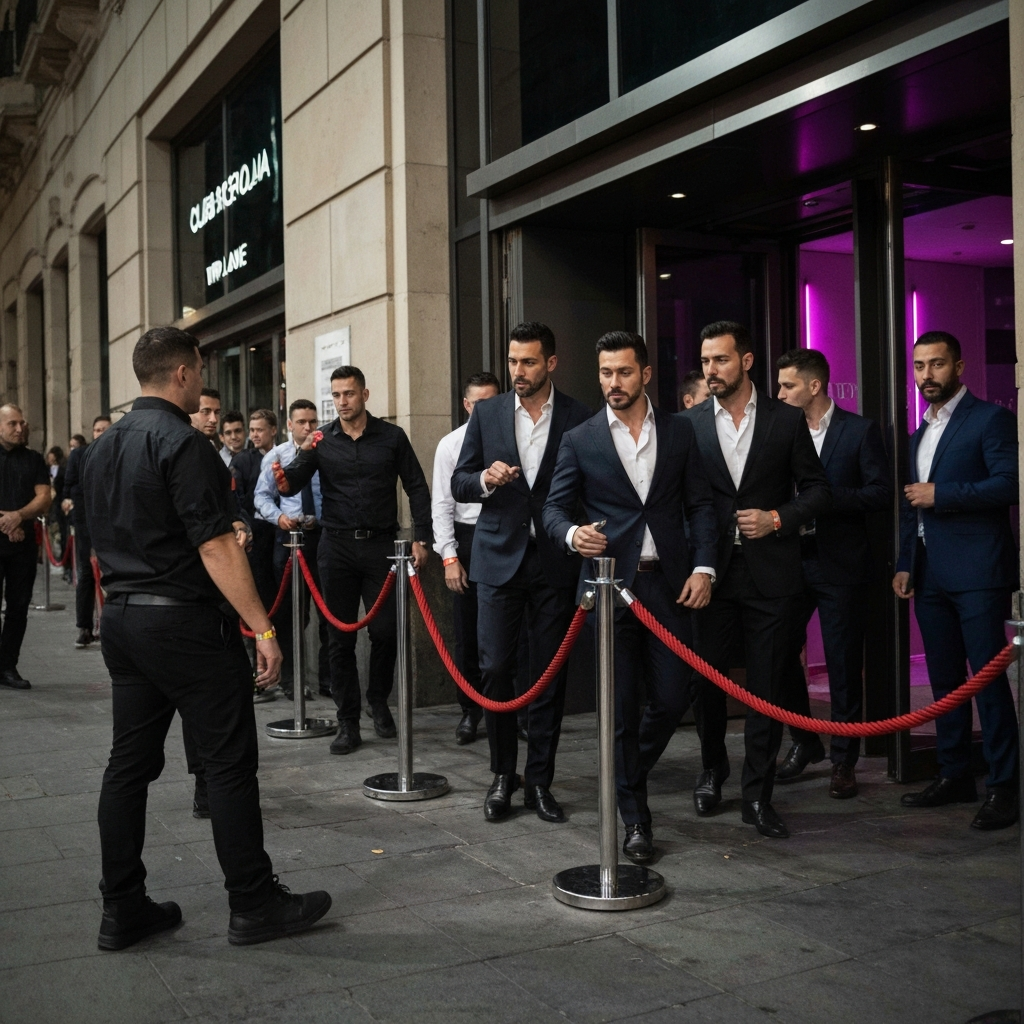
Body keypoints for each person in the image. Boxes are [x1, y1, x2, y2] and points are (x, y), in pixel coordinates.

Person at [82, 325, 330, 950]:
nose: (201, 378)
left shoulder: (102, 448)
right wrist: (263, 627)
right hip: (184, 624)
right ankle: (252, 903)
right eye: (199, 366)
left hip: (124, 619)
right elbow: (216, 545)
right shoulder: (183, 443)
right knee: (226, 763)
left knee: (128, 766)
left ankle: (122, 907)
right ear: (183, 374)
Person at [544, 332, 717, 861]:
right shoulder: (581, 437)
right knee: (617, 709)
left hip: (668, 584)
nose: (612, 383)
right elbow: (553, 511)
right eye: (604, 373)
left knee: (671, 698)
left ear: (644, 373)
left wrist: (705, 566)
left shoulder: (681, 431)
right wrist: (574, 536)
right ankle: (635, 819)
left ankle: (624, 772)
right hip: (608, 588)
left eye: (622, 372)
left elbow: (701, 505)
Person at [681, 321, 831, 839]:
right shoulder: (690, 424)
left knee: (765, 690)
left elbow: (816, 491)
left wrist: (778, 519)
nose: (711, 370)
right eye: (705, 361)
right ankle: (712, 771)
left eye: (720, 360)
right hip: (711, 575)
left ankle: (757, 795)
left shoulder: (786, 421)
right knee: (707, 685)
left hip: (773, 574)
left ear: (746, 361)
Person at [451, 322, 592, 823]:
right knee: (494, 669)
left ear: (550, 363)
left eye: (528, 362)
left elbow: (589, 486)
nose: (518, 372)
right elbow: (459, 481)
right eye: (513, 361)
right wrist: (485, 479)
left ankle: (539, 783)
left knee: (548, 677)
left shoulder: (578, 415)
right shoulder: (487, 413)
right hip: (497, 558)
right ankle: (500, 776)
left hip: (555, 560)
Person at [894, 331, 1020, 831]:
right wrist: (905, 563)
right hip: (929, 577)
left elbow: (1009, 484)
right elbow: (910, 505)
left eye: (937, 365)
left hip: (979, 576)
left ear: (959, 367)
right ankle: (954, 775)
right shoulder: (916, 434)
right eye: (920, 366)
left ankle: (1006, 787)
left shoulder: (990, 418)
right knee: (944, 683)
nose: (927, 375)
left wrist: (941, 494)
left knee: (988, 685)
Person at [277, 366, 433, 755]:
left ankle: (377, 700)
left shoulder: (392, 437)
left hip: (382, 545)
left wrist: (422, 538)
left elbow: (416, 486)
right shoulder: (321, 441)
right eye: (336, 395)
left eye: (348, 394)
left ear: (365, 394)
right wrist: (295, 460)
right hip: (337, 547)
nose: (342, 402)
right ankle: (347, 721)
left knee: (385, 632)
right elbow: (292, 482)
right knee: (339, 636)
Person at [775, 348, 891, 798]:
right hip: (789, 559)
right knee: (778, 651)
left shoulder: (858, 431)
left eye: (787, 386)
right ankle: (804, 741)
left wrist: (824, 499)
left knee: (843, 663)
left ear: (814, 386)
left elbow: (880, 493)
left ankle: (844, 761)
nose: (779, 394)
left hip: (840, 562)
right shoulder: (781, 430)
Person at [432, 371, 501, 744]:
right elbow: (441, 504)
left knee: (511, 630)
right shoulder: (451, 444)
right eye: (478, 404)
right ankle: (470, 710)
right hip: (468, 538)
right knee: (467, 633)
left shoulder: (510, 436)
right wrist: (449, 556)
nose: (484, 410)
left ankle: (512, 711)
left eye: (491, 402)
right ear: (466, 405)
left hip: (505, 536)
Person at [254, 399, 330, 700]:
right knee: (290, 615)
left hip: (321, 536)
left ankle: (328, 680)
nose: (308, 427)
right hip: (288, 540)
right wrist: (279, 517)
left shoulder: (327, 452)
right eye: (301, 422)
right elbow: (261, 498)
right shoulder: (277, 456)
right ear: (290, 425)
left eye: (312, 421)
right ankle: (291, 680)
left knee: (328, 613)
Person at [0, 404, 51, 689]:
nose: (20, 429)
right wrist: (7, 523)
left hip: (22, 545)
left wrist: (18, 516)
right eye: (13, 424)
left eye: (22, 423)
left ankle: (7, 666)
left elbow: (44, 498)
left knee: (18, 608)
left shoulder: (33, 459)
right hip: (10, 535)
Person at [232, 410, 280, 686]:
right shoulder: (242, 461)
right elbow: (237, 502)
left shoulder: (285, 455)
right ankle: (257, 671)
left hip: (283, 542)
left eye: (259, 429)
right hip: (255, 544)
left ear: (274, 430)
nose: (254, 435)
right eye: (251, 429)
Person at [63, 415, 111, 648]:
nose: (100, 433)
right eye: (97, 429)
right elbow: (69, 486)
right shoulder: (79, 455)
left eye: (105, 429)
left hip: (113, 524)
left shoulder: (118, 452)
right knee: (87, 573)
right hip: (86, 525)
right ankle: (84, 626)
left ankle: (110, 627)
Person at [46, 446, 70, 580]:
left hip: (59, 506)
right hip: (49, 507)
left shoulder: (63, 470)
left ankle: (64, 562)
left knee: (61, 535)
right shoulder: (45, 469)